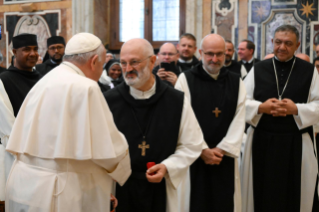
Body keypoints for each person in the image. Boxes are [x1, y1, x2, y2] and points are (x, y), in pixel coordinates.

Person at [5, 33, 131, 211]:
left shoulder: (44, 80)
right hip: (63, 190)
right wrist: (124, 169)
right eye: (102, 65)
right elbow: (109, 150)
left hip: (26, 186)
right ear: (94, 61)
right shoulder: (86, 87)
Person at [104, 38, 203, 212]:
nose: (127, 69)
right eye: (123, 63)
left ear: (152, 61)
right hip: (119, 188)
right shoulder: (109, 100)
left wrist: (167, 166)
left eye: (134, 62)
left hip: (162, 187)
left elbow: (192, 144)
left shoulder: (176, 100)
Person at [241, 25, 319, 212]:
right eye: (278, 42)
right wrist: (261, 107)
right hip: (261, 141)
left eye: (288, 43)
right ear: (271, 42)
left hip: (296, 142)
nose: (282, 47)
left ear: (297, 45)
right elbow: (240, 101)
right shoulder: (258, 69)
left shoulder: (309, 71)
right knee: (261, 192)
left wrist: (297, 109)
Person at [175, 34, 245, 212]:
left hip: (224, 157)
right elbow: (183, 118)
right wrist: (202, 149)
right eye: (210, 54)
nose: (215, 59)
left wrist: (222, 149)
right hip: (195, 157)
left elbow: (240, 117)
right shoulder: (185, 79)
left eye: (220, 54)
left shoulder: (236, 81)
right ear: (200, 53)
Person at [0, 33, 42, 202]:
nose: (32, 53)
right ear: (14, 52)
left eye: (35, 49)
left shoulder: (43, 80)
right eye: (26, 50)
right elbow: (7, 125)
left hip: (41, 154)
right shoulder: (3, 81)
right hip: (15, 154)